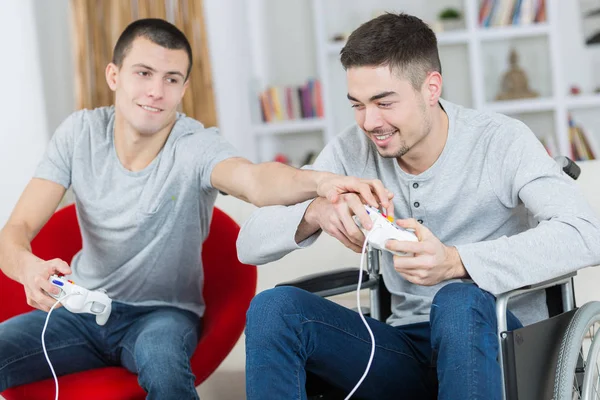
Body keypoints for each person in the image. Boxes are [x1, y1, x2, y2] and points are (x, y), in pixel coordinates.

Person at [0, 18, 393, 400]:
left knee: (165, 369)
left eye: (171, 79)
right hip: (80, 308)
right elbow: (16, 229)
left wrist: (321, 181)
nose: (156, 90)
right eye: (143, 73)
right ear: (114, 76)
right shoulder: (78, 134)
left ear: (183, 88)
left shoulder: (195, 146)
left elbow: (255, 180)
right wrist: (29, 269)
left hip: (161, 315)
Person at [237, 12, 600, 400]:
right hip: (405, 350)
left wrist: (456, 261)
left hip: (499, 341)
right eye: (357, 104)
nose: (369, 121)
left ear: (431, 88)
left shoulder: (500, 141)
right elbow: (248, 244)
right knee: (274, 309)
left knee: (458, 299)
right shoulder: (351, 151)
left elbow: (587, 233)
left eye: (384, 102)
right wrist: (314, 213)